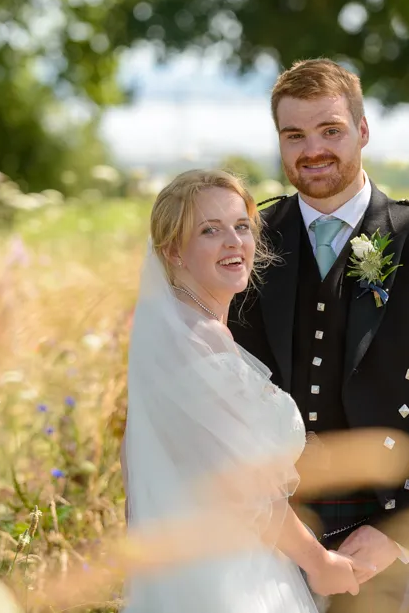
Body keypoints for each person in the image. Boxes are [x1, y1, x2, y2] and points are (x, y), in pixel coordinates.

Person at [227, 58, 409, 612]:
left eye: (331, 130)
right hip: (270, 526)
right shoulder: (245, 242)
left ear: (363, 131)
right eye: (293, 134)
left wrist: (399, 533)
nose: (312, 149)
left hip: (384, 522)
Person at [120, 169, 368, 613]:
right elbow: (244, 489)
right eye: (209, 230)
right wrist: (318, 562)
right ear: (172, 251)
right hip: (226, 580)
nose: (233, 241)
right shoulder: (193, 345)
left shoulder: (198, 330)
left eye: (240, 226)